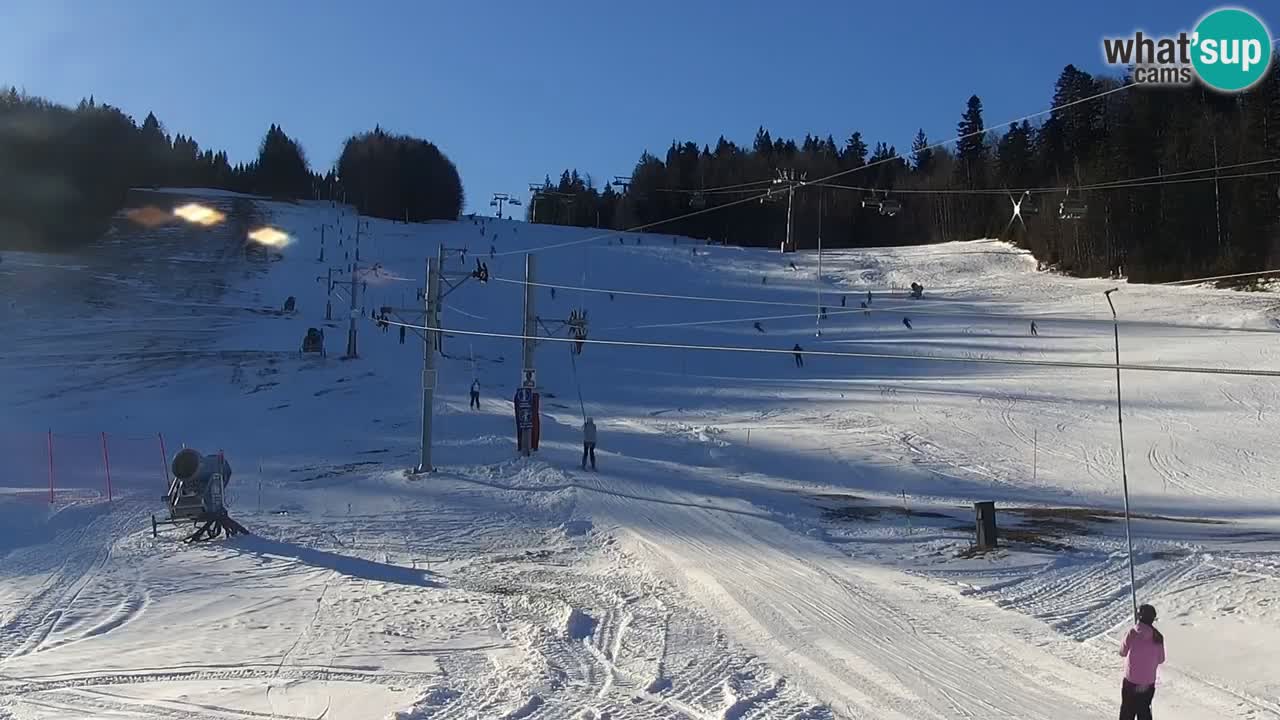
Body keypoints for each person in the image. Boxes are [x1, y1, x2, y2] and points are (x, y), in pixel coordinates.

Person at [1119, 604, 1165, 720]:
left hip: (1131, 681)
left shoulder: (1132, 633)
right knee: (1144, 710)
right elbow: (1161, 659)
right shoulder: (1158, 637)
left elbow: (1122, 652)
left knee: (1127, 711)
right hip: (1148, 683)